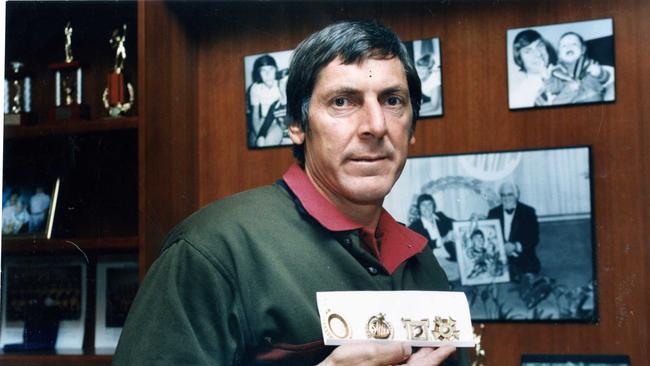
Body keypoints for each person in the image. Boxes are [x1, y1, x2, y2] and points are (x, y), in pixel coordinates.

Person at [114, 21, 462, 366]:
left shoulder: (425, 264)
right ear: (296, 124)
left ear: (412, 126)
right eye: (342, 101)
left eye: (392, 100)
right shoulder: (212, 251)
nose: (376, 125)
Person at [487, 182, 541, 281]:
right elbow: (488, 236)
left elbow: (534, 238)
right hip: (501, 260)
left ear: (516, 195)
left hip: (524, 259)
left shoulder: (528, 212)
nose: (506, 198)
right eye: (503, 195)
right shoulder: (493, 213)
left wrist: (516, 246)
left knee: (525, 278)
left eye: (510, 194)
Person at [543, 31, 614, 105]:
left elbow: (606, 79)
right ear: (559, 54)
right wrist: (548, 79)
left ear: (583, 50)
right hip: (572, 100)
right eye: (564, 46)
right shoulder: (558, 71)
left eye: (574, 44)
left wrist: (600, 73)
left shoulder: (589, 64)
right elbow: (554, 88)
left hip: (593, 97)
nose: (569, 47)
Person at [509, 29, 557, 108]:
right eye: (528, 51)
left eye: (540, 45)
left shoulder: (566, 77)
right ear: (520, 59)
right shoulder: (517, 98)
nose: (538, 54)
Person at [247, 54, 282, 147]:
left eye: (271, 69)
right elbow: (254, 114)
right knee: (255, 144)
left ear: (276, 69)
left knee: (267, 143)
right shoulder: (255, 88)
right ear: (259, 73)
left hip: (276, 122)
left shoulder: (282, 84)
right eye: (263, 70)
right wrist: (260, 134)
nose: (267, 74)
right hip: (261, 120)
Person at [408, 193, 456, 261]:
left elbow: (456, 224)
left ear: (433, 206)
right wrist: (444, 239)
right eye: (423, 205)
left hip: (450, 258)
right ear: (419, 208)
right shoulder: (414, 227)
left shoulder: (441, 216)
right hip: (431, 263)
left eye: (429, 204)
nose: (427, 208)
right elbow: (424, 247)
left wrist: (471, 220)